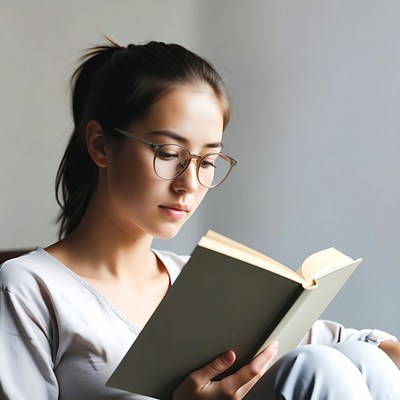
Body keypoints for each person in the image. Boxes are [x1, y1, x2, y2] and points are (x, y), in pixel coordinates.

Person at [0, 39, 399, 400]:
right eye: (169, 154)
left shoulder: (201, 284)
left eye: (207, 161)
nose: (189, 183)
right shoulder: (30, 289)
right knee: (317, 368)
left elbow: (352, 341)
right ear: (101, 145)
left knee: (365, 359)